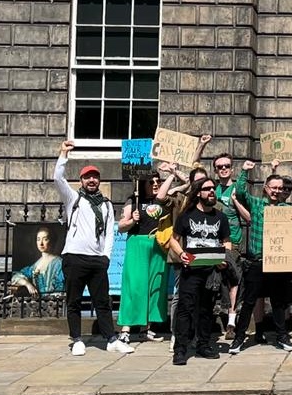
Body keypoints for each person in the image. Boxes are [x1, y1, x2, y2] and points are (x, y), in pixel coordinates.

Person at [53, 140, 133, 356]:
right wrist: (63, 155)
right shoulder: (74, 199)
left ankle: (111, 339)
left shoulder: (106, 204)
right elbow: (57, 179)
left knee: (103, 302)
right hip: (75, 257)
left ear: (99, 180)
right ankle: (77, 339)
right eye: (87, 177)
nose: (91, 180)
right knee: (74, 301)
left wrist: (105, 257)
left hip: (97, 260)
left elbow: (109, 233)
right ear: (81, 180)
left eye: (95, 176)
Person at [230, 161, 292, 354]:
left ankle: (282, 336)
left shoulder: (287, 209)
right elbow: (240, 191)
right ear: (266, 188)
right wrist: (244, 171)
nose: (276, 191)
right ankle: (239, 338)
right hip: (256, 262)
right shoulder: (256, 203)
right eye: (273, 188)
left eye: (280, 188)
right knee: (249, 302)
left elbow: (291, 235)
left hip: (277, 262)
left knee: (278, 302)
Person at [171, 177, 233, 365]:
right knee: (185, 309)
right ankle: (180, 349)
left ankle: (203, 345)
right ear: (199, 193)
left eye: (213, 188)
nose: (212, 191)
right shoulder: (186, 215)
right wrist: (181, 253)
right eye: (207, 189)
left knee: (207, 310)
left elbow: (226, 241)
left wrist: (225, 258)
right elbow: (173, 239)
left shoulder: (220, 217)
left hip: (211, 271)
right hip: (191, 270)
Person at [115, 167, 176, 344]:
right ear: (143, 184)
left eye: (158, 181)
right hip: (137, 243)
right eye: (152, 182)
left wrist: (172, 172)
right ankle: (126, 329)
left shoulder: (163, 200)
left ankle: (146, 328)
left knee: (155, 285)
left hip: (158, 244)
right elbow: (121, 226)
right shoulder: (133, 201)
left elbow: (184, 186)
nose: (156, 184)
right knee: (135, 285)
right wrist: (132, 220)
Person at [211, 153, 246, 336]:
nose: (223, 169)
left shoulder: (238, 189)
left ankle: (231, 321)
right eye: (219, 167)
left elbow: (249, 218)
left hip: (233, 242)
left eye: (226, 166)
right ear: (215, 170)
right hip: (212, 242)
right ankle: (212, 318)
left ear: (232, 168)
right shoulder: (211, 190)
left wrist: (235, 201)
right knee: (213, 280)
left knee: (232, 279)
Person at [9, 226, 65, 296]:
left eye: (45, 239)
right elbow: (16, 276)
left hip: (53, 303)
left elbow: (60, 289)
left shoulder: (58, 263)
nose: (41, 243)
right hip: (37, 303)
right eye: (38, 239)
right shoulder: (35, 265)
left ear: (52, 241)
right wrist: (27, 284)